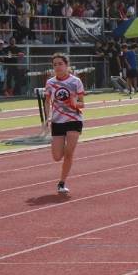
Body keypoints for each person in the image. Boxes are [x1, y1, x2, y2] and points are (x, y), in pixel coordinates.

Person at [43, 53, 85, 194]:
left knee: (69, 153)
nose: (57, 67)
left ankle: (62, 182)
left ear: (67, 65)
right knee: (56, 157)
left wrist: (75, 103)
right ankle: (61, 145)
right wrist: (47, 118)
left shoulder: (76, 81)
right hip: (57, 121)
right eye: (55, 64)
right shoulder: (50, 82)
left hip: (74, 119)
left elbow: (82, 104)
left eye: (60, 63)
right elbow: (47, 102)